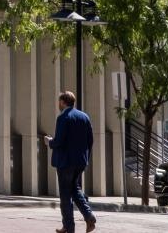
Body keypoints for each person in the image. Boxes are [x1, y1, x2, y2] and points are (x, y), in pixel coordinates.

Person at [43, 90, 95, 233]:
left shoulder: (63, 118)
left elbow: (59, 141)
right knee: (75, 189)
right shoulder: (85, 117)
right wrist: (86, 158)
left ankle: (68, 227)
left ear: (63, 102)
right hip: (80, 162)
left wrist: (49, 142)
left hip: (66, 162)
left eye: (59, 101)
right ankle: (89, 215)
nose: (58, 104)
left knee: (65, 195)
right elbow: (91, 141)